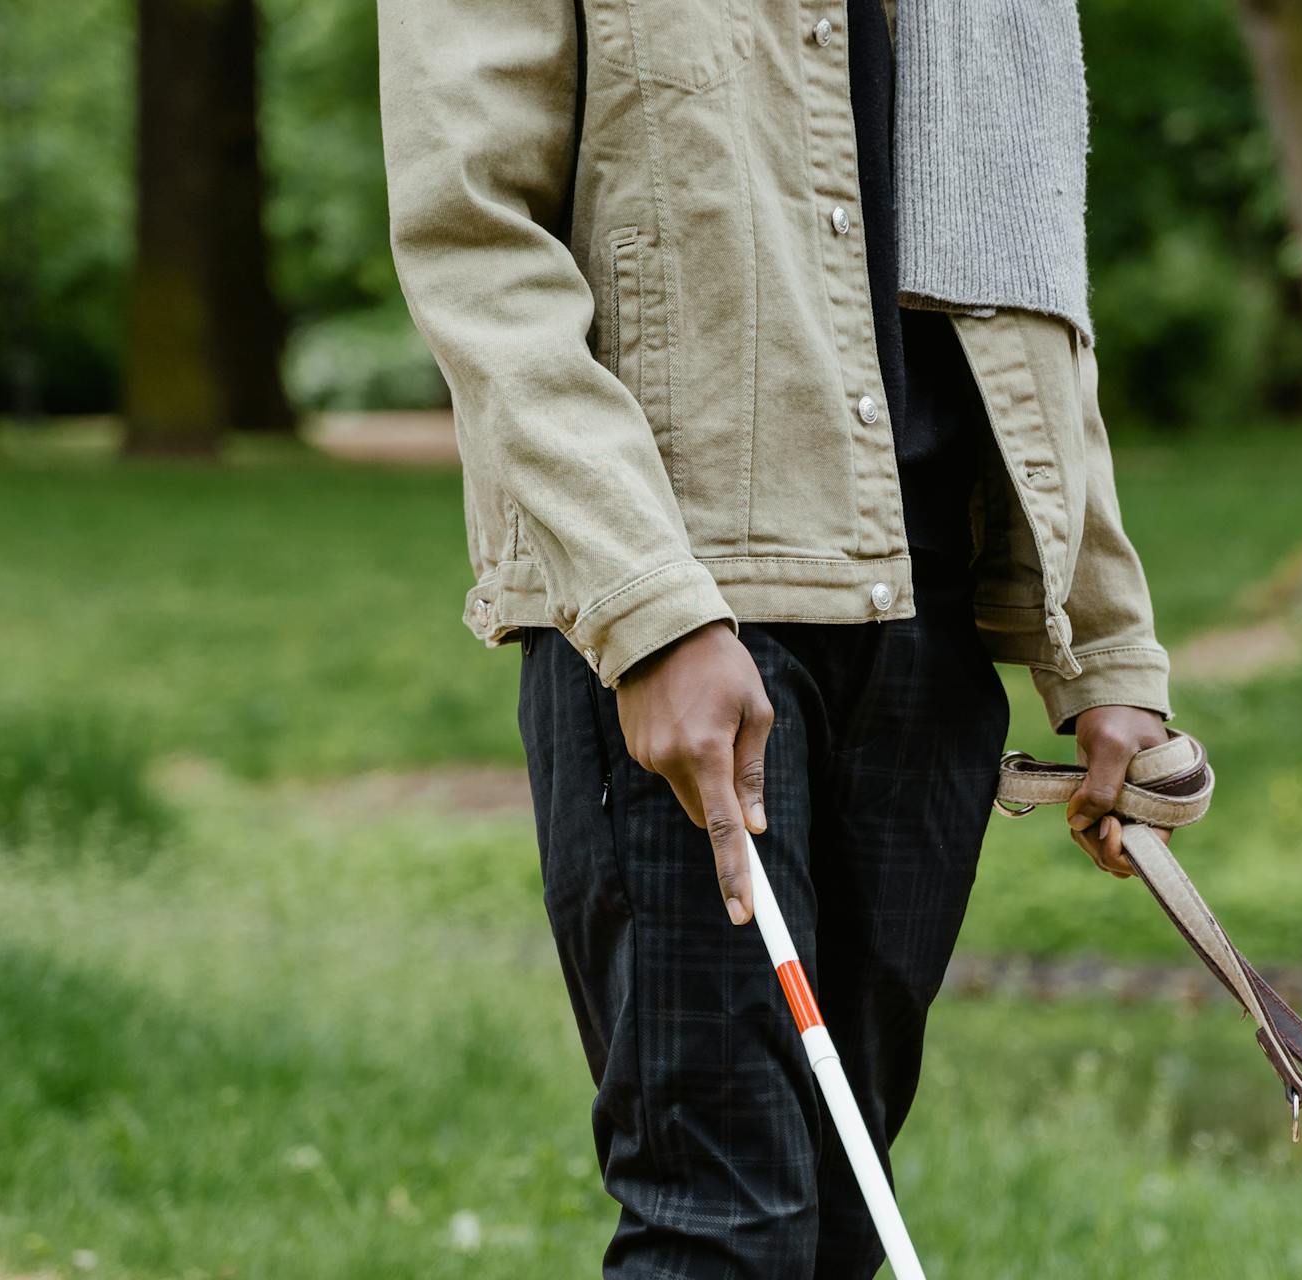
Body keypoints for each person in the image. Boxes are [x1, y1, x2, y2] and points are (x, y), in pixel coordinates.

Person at [379, 1, 1184, 1274]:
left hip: (928, 628)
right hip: (689, 613)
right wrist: (650, 611)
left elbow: (1029, 280)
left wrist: (1102, 646)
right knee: (724, 1222)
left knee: (841, 1227)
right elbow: (474, 239)